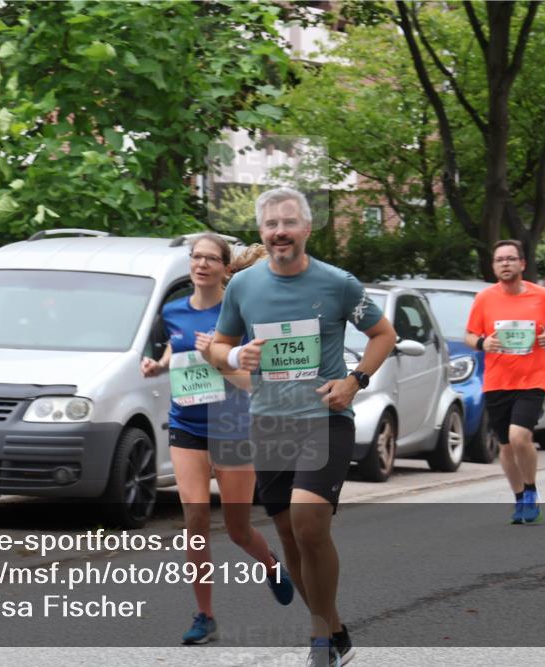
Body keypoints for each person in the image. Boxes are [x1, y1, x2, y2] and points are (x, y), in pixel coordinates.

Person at [208, 188, 396, 667]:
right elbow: (219, 346)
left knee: (311, 523)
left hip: (325, 419)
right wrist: (234, 355)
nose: (279, 232)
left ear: (307, 228)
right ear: (262, 233)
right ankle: (335, 630)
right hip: (270, 423)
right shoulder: (243, 286)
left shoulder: (338, 284)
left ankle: (318, 635)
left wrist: (355, 381)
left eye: (289, 223)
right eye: (271, 225)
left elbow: (384, 334)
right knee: (290, 534)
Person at [140, 236, 294, 645]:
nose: (202, 264)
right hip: (187, 424)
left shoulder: (240, 313)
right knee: (195, 520)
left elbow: (252, 376)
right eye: (196, 257)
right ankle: (204, 615)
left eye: (211, 258)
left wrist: (220, 357)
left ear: (226, 268)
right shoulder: (173, 310)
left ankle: (272, 565)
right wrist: (159, 364)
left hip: (232, 427)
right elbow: (178, 344)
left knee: (239, 528)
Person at [464, 240, 545, 525]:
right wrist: (484, 342)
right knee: (506, 446)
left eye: (510, 259)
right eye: (499, 260)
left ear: (522, 263)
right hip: (497, 380)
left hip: (532, 378)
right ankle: (519, 497)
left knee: (520, 436)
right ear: (494, 266)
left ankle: (531, 490)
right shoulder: (484, 298)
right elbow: (469, 336)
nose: (505, 263)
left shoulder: (542, 296)